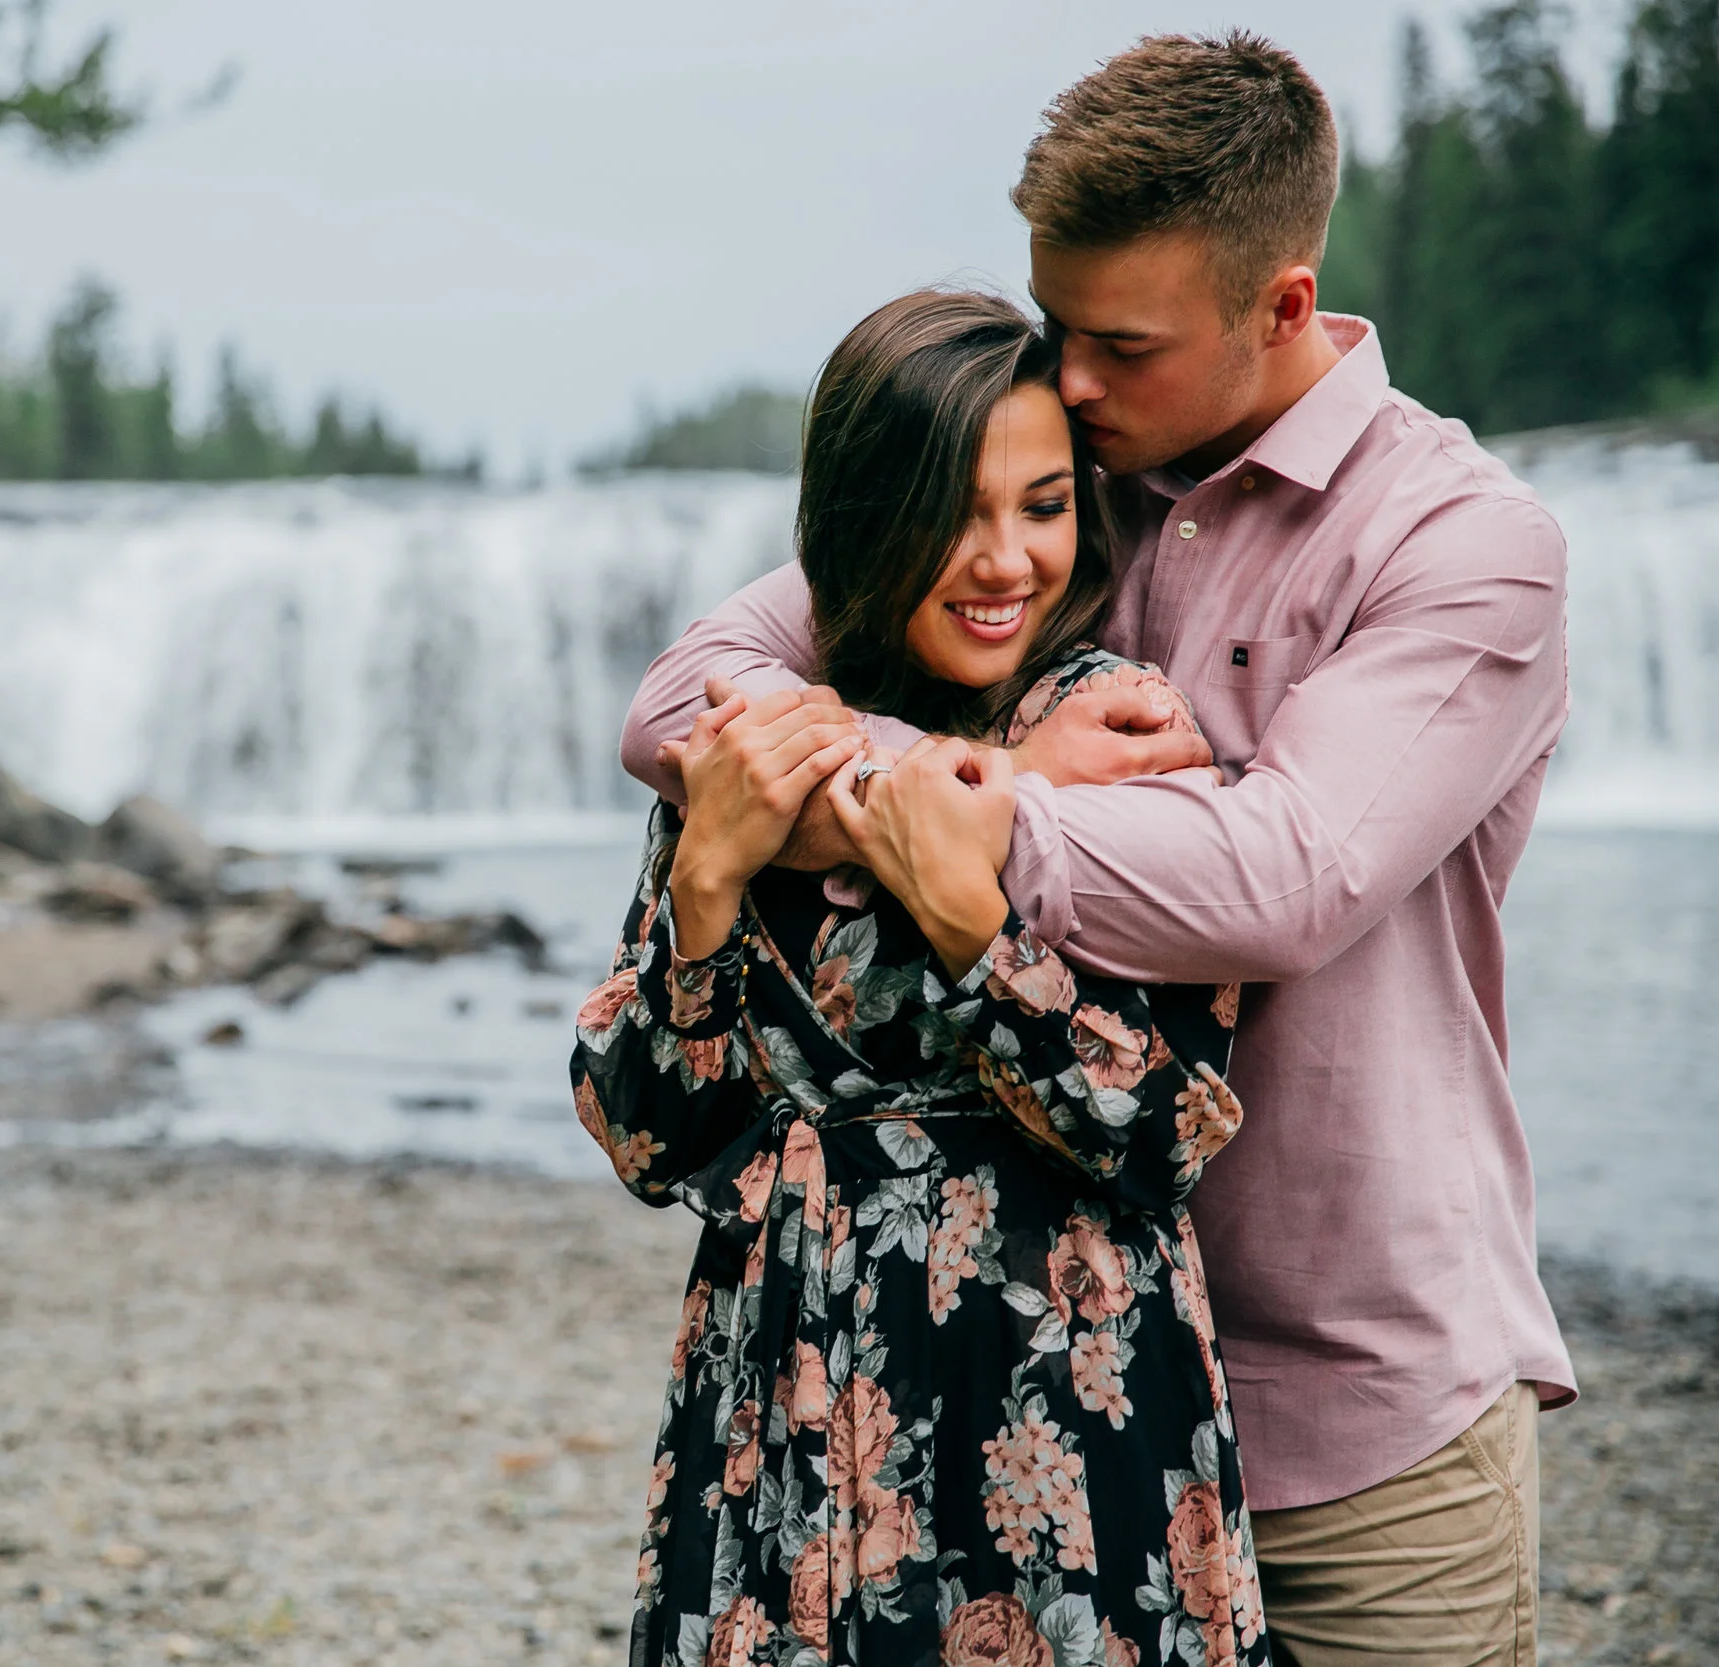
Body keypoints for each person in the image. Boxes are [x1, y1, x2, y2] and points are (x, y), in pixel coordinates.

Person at [622, 33, 1572, 1667]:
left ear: (1283, 308)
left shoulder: (1462, 543)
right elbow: (689, 697)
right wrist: (968, 764)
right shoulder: (1056, 484)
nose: (1067, 378)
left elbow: (1287, 880)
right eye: (1058, 327)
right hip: (1048, 1386)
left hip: (1355, 1401)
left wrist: (974, 817)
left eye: (1118, 344)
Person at [574, 288, 1267, 1667]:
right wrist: (706, 888)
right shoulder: (757, 755)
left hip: (1066, 1412)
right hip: (787, 1411)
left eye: (1044, 504)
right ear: (863, 514)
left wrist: (976, 935)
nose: (1005, 558)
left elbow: (1168, 1134)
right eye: (956, 510)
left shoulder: (1121, 734)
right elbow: (650, 1139)